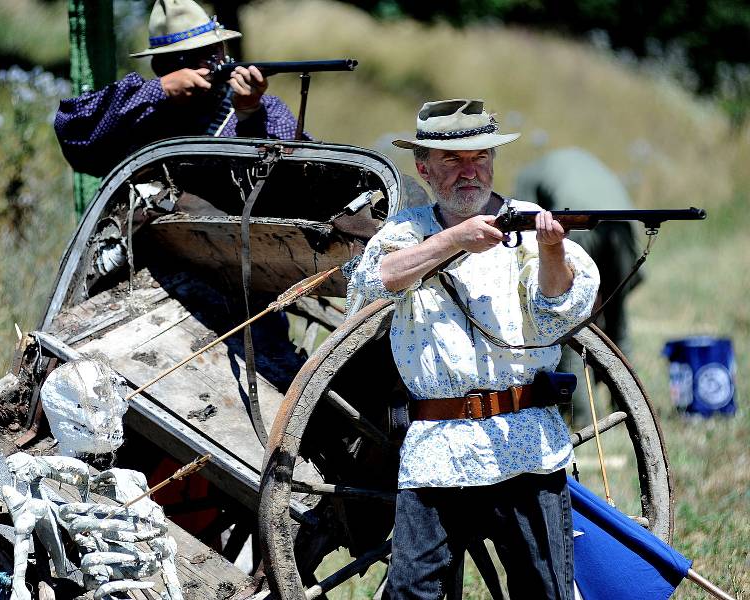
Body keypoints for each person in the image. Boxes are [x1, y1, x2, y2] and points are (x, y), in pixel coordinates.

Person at [349, 99, 600, 599]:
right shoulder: (405, 232)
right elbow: (370, 288)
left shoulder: (529, 223)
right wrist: (455, 240)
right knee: (415, 592)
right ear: (423, 168)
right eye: (453, 160)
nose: (471, 171)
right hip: (437, 446)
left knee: (543, 590)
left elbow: (562, 310)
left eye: (480, 157)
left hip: (524, 441)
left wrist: (552, 251)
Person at [54, 0, 303, 177]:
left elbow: (297, 174)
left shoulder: (268, 109)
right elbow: (75, 133)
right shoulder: (140, 108)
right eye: (194, 55)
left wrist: (249, 114)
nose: (213, 61)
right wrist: (159, 90)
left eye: (215, 50)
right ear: (162, 65)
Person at [514, 148, 643, 422]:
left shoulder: (529, 175)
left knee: (571, 329)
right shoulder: (583, 162)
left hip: (581, 229)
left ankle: (582, 418)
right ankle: (633, 412)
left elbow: (524, 236)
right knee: (619, 326)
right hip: (623, 226)